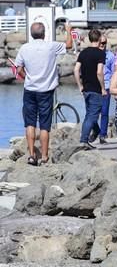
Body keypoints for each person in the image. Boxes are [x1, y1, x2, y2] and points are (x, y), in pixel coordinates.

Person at [15, 22, 73, 165]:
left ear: (31, 33)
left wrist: (26, 77)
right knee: (45, 125)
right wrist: (68, 30)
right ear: (44, 33)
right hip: (46, 91)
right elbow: (69, 45)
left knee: (30, 123)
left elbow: (19, 68)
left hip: (30, 90)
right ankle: (45, 156)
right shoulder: (51, 46)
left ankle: (31, 155)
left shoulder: (24, 48)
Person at [74, 28, 106, 150]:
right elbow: (99, 72)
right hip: (95, 89)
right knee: (92, 116)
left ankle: (96, 131)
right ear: (98, 40)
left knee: (89, 114)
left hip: (86, 89)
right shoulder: (100, 53)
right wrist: (103, 88)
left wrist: (80, 85)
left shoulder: (83, 53)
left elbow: (76, 70)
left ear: (89, 39)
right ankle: (84, 140)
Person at [98, 34, 115, 144]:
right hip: (95, 86)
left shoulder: (110, 56)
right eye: (101, 43)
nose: (102, 45)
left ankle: (102, 135)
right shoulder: (94, 54)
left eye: (104, 43)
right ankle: (95, 130)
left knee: (104, 112)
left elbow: (113, 72)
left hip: (107, 85)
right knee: (92, 113)